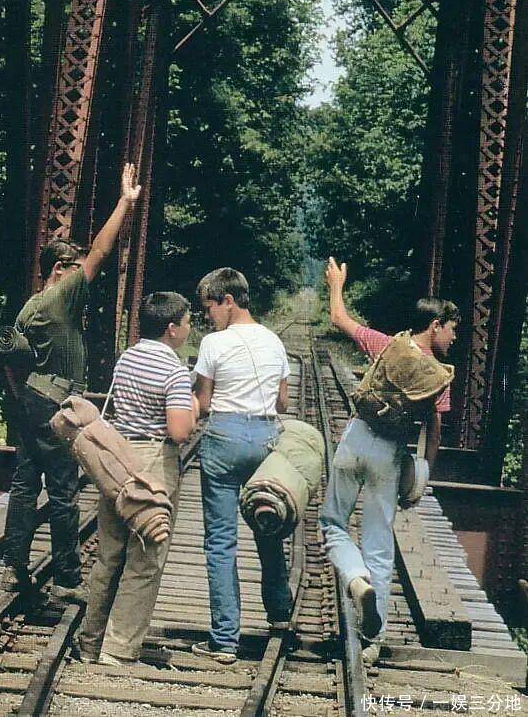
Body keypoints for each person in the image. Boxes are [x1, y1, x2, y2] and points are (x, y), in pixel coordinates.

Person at [1, 163, 141, 603]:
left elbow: (11, 362)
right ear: (60, 269)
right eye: (76, 269)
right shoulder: (61, 296)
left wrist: (24, 400)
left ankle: (14, 567)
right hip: (57, 404)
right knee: (63, 490)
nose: (85, 276)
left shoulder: (30, 307)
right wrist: (125, 202)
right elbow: (100, 251)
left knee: (25, 484)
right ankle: (66, 578)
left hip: (31, 399)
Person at [319, 256, 459, 663]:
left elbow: (339, 318)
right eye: (452, 329)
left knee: (332, 524)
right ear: (435, 325)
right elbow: (433, 430)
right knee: (379, 546)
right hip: (389, 455)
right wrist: (422, 475)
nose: (454, 338)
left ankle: (354, 578)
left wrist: (336, 283)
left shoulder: (387, 345)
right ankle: (373, 640)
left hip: (356, 439)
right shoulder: (439, 376)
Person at [78, 291, 199, 665]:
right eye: (187, 322)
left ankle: (90, 642)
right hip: (152, 463)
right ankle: (118, 649)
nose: (189, 328)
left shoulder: (127, 358)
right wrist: (194, 407)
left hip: (117, 460)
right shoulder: (174, 371)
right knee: (145, 558)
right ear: (171, 329)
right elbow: (179, 432)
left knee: (109, 555)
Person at [191, 267, 293, 664]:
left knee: (220, 541)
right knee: (269, 528)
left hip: (224, 437)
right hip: (265, 439)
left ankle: (225, 641)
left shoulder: (213, 344)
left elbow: (203, 402)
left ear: (229, 301)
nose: (208, 316)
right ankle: (280, 616)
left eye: (210, 308)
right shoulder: (274, 341)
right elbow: (282, 403)